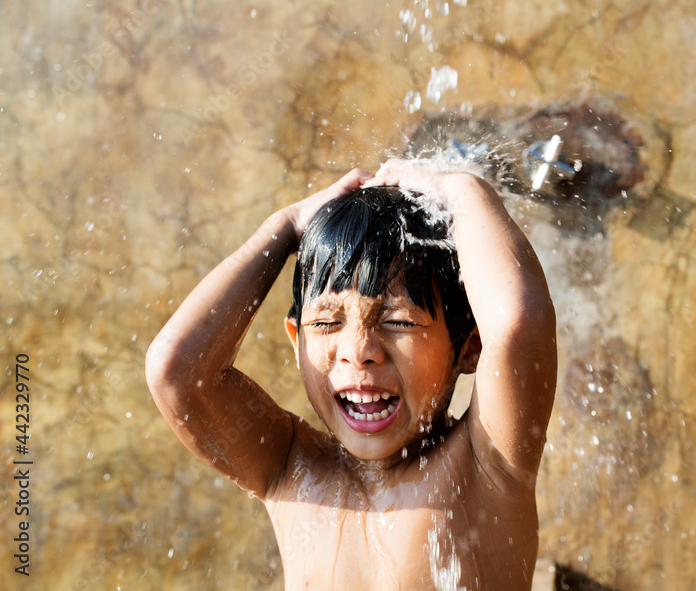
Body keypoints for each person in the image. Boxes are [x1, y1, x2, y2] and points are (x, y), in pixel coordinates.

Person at [145, 159, 558, 589]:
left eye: (398, 322)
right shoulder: (289, 469)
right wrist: (285, 226)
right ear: (297, 341)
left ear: (469, 347)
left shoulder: (486, 462)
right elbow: (176, 370)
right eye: (325, 324)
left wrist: (462, 191)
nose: (359, 352)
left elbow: (516, 325)